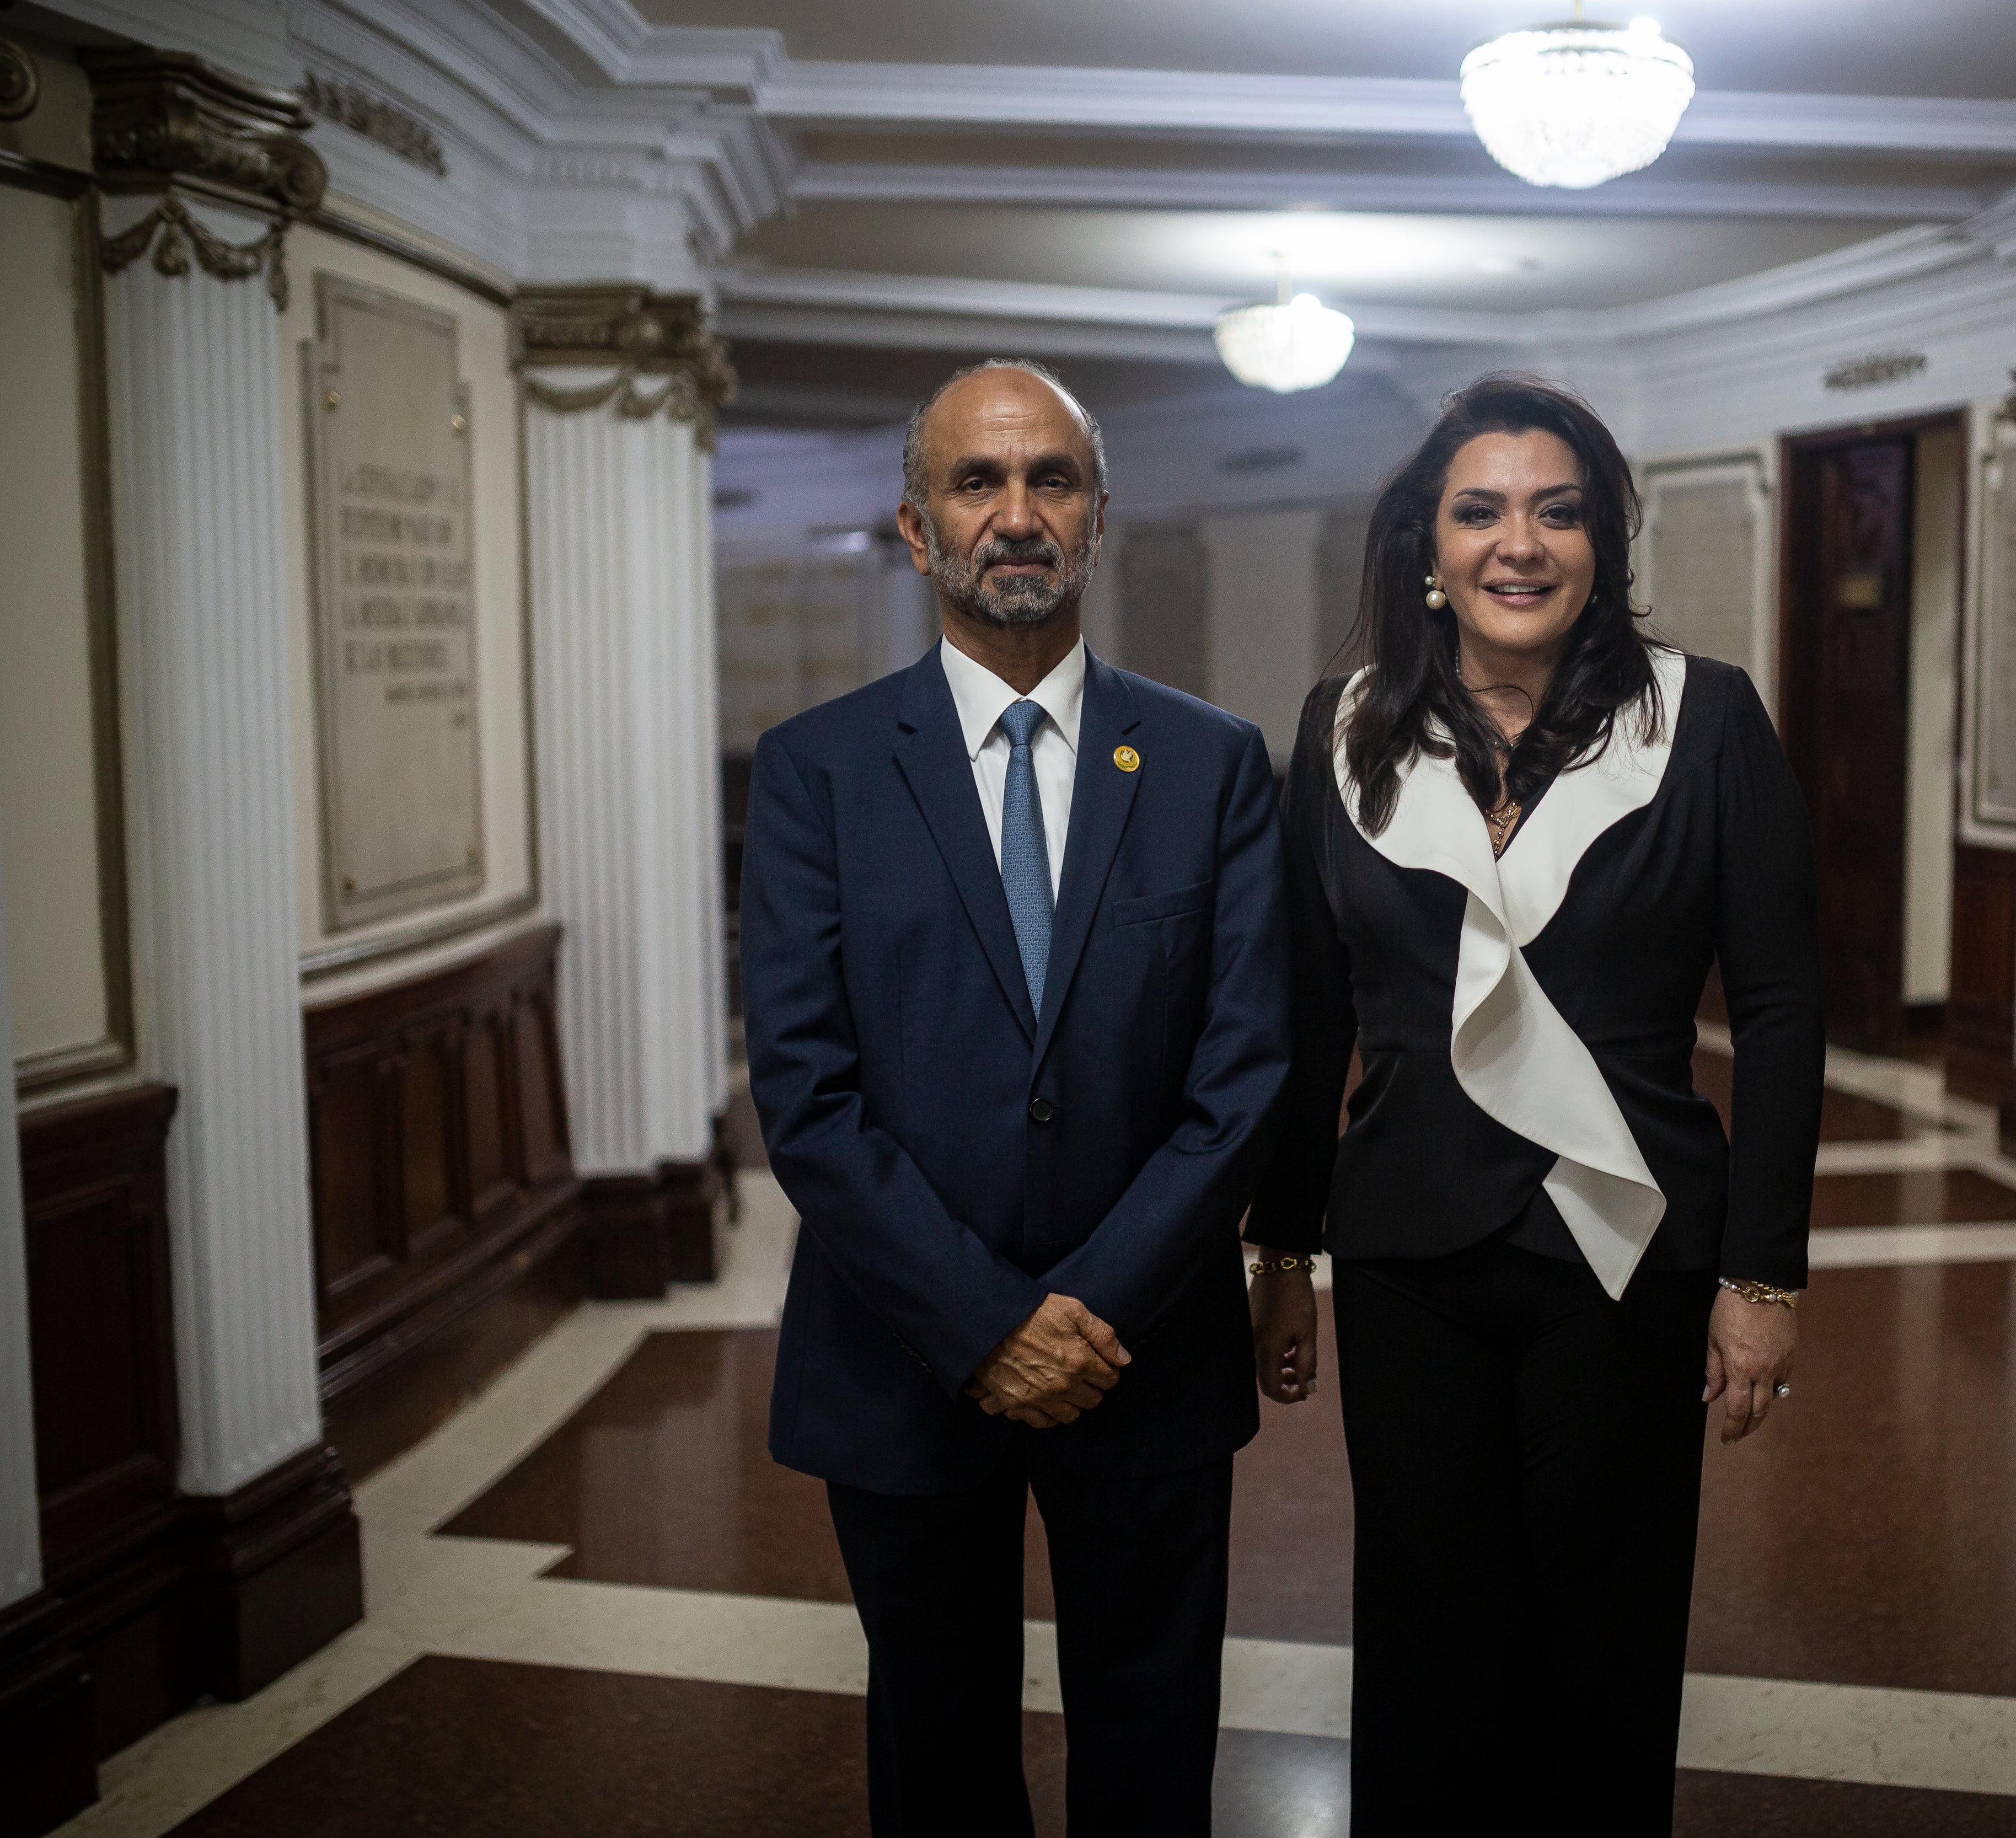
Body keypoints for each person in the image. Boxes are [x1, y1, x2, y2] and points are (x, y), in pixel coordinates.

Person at [1245, 373, 1824, 1834]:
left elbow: (1779, 1010)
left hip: (1625, 1240)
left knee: (1610, 1635)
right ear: (1426, 551)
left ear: (1602, 540)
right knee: (1431, 1637)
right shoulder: (1340, 730)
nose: (1522, 543)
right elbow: (1310, 1014)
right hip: (1409, 1249)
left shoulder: (1705, 721)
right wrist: (1283, 1250)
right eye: (1482, 511)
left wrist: (1765, 1273)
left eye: (1559, 512)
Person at [741, 357, 1290, 1838]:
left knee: (1155, 1738)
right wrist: (986, 1324)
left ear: (1098, 516)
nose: (1018, 512)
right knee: (938, 1747)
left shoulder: (1214, 765)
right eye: (978, 482)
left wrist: (1085, 1319)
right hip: (905, 1359)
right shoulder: (818, 777)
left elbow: (1245, 1073)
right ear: (919, 531)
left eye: (1052, 478)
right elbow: (805, 1090)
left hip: (1146, 1352)